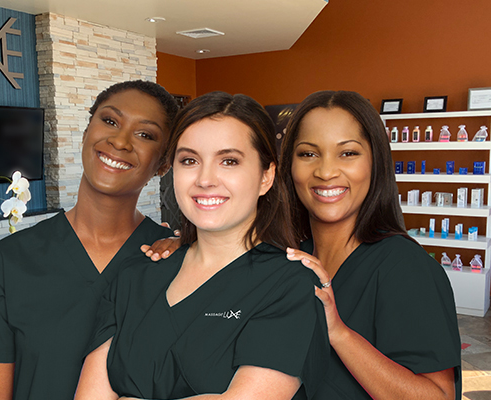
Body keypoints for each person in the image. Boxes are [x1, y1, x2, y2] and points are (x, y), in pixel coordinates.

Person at [75, 92, 329, 400]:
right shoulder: (135, 276)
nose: (205, 179)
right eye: (190, 160)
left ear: (266, 176)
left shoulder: (290, 285)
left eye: (229, 161)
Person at [0, 80, 179, 400]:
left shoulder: (179, 261)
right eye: (110, 121)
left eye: (145, 134)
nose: (120, 141)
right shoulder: (9, 262)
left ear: (163, 163)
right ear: (86, 132)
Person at [281, 90, 462, 400]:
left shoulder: (404, 267)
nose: (325, 172)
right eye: (308, 153)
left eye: (348, 153)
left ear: (375, 161)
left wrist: (339, 333)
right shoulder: (288, 260)